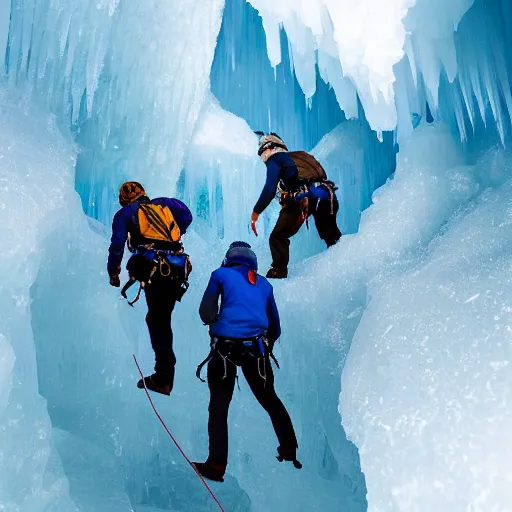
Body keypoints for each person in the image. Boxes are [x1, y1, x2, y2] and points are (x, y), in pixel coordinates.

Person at [193, 241, 300, 482]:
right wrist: (263, 345)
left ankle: (216, 465)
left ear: (229, 258)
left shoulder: (220, 274)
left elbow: (205, 312)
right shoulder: (264, 284)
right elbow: (275, 328)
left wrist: (218, 321)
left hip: (223, 350)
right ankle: (289, 449)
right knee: (270, 399)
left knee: (219, 407)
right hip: (257, 351)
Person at [107, 181, 193, 396]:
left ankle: (163, 378)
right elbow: (185, 214)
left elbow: (117, 244)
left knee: (157, 320)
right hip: (176, 268)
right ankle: (164, 375)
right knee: (161, 319)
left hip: (155, 270)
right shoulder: (162, 207)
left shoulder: (126, 213)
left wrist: (113, 272)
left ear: (124, 200)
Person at [250, 133, 342, 279]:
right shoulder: (300, 157)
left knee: (277, 236)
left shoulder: (276, 158)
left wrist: (256, 212)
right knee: (330, 236)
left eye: (262, 153)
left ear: (271, 148)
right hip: (326, 193)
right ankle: (343, 264)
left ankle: (278, 273)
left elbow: (270, 189)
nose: (263, 157)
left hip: (303, 198)